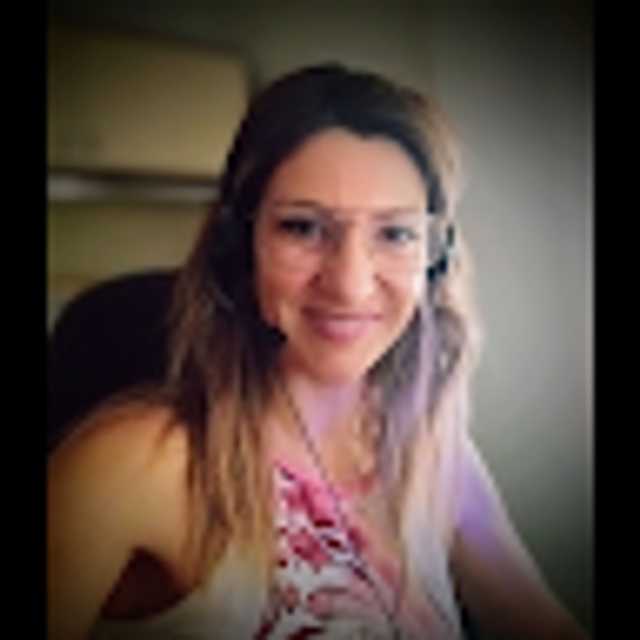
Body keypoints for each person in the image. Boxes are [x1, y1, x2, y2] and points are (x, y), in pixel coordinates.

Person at [47, 63, 589, 640]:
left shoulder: (430, 449)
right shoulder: (129, 467)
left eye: (395, 233)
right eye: (302, 228)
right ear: (239, 247)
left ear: (434, 261)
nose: (350, 285)